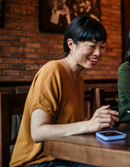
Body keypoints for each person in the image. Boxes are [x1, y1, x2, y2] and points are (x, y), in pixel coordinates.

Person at [10, 16, 119, 167]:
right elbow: (38, 133)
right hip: (37, 162)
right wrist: (89, 124)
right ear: (71, 44)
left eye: (102, 46)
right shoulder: (53, 70)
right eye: (91, 45)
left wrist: (97, 123)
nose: (98, 53)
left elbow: (71, 129)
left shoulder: (79, 80)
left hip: (65, 156)